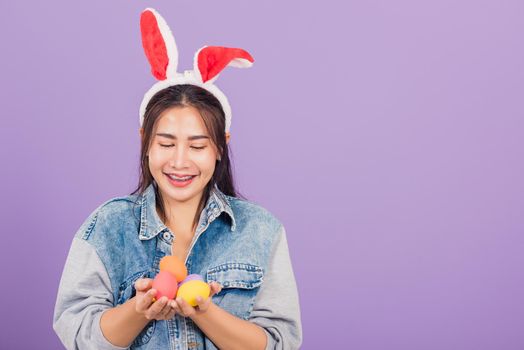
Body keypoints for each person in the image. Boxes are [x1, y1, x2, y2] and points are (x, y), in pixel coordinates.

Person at [52, 7, 302, 350]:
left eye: (197, 145)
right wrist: (139, 310)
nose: (180, 162)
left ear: (220, 147)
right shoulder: (108, 226)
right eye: (166, 143)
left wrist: (204, 312)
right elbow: (78, 335)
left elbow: (280, 342)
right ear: (145, 141)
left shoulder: (261, 230)